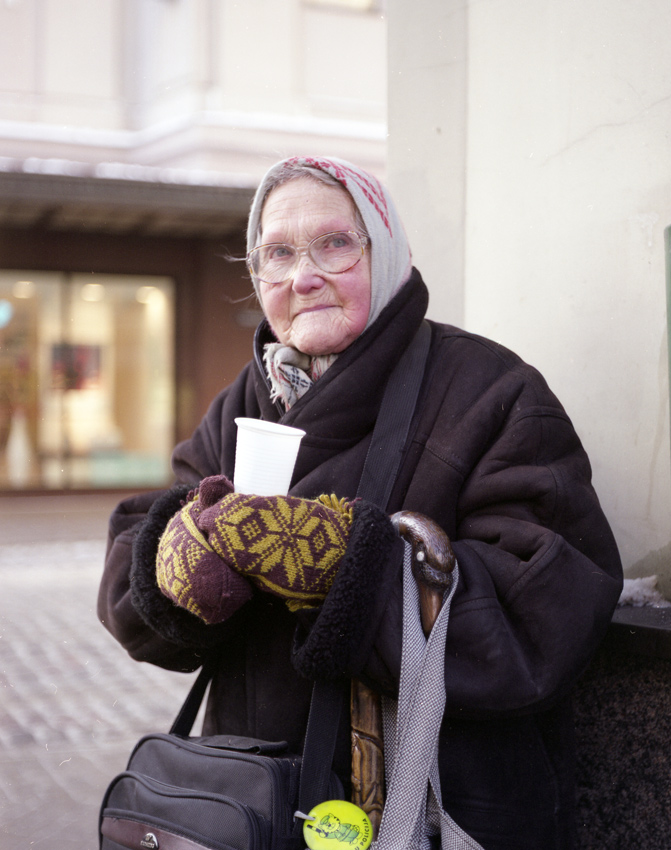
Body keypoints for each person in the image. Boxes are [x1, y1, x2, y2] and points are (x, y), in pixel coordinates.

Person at [98, 156, 623, 849]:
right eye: (276, 254)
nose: (301, 276)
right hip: (258, 805)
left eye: (335, 244)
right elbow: (129, 585)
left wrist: (345, 566)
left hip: (435, 810)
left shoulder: (490, 390)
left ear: (390, 252)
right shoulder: (244, 404)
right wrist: (177, 559)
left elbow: (546, 615)